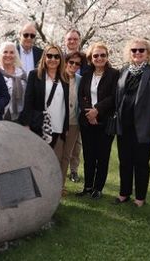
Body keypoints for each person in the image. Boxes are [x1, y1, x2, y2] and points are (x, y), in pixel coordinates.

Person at [114, 38, 150, 207]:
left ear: (148, 53)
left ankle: (140, 198)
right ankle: (124, 193)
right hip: (124, 125)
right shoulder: (123, 71)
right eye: (134, 50)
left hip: (144, 126)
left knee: (141, 162)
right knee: (125, 161)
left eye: (141, 50)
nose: (137, 53)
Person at [76, 42, 119, 200]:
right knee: (88, 156)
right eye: (96, 55)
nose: (99, 58)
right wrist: (89, 113)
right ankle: (87, 186)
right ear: (90, 58)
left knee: (102, 156)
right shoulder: (86, 74)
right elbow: (81, 95)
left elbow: (114, 97)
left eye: (102, 55)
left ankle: (98, 188)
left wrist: (97, 110)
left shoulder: (115, 74)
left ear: (107, 57)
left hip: (105, 121)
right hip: (87, 121)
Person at [20, 44, 69, 153]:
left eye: (56, 57)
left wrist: (66, 126)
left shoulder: (64, 77)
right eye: (49, 56)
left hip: (57, 124)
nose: (53, 59)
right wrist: (26, 124)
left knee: (49, 155)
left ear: (61, 59)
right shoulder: (34, 75)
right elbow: (28, 101)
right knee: (36, 155)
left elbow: (65, 104)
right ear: (44, 57)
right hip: (39, 124)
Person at [53, 51, 82, 196]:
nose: (74, 65)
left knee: (66, 155)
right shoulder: (58, 78)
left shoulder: (80, 80)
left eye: (77, 64)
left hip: (74, 123)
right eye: (71, 62)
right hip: (58, 122)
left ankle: (61, 186)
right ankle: (52, 184)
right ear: (66, 62)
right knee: (56, 154)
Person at [64, 29, 89, 183]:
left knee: (76, 144)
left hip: (78, 110)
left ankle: (73, 170)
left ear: (79, 41)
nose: (72, 41)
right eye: (69, 39)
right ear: (65, 41)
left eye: (75, 39)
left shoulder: (85, 59)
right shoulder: (60, 58)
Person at [0, 41, 27, 121]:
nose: (8, 55)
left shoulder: (22, 73)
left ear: (15, 55)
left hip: (20, 117)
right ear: (0, 54)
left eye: (12, 52)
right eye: (5, 52)